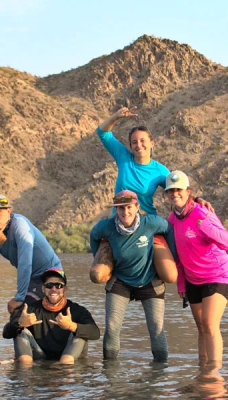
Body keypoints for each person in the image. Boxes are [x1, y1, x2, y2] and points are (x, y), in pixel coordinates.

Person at [92, 107, 211, 284]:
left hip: (147, 223)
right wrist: (117, 116)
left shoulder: (160, 171)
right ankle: (119, 278)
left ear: (152, 143)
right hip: (119, 224)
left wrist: (196, 199)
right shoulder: (123, 157)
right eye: (134, 142)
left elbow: (177, 190)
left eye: (142, 141)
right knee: (97, 276)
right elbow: (102, 132)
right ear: (130, 146)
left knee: (170, 276)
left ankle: (148, 273)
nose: (138, 145)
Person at [90, 190, 176, 362]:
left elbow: (169, 228)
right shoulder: (106, 226)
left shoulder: (150, 223)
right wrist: (100, 257)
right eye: (120, 208)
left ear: (137, 207)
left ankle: (160, 373)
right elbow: (94, 235)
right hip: (121, 280)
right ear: (116, 210)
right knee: (112, 327)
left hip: (149, 279)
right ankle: (110, 372)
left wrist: (170, 256)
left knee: (156, 328)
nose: (125, 212)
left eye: (129, 207)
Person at [165, 171, 228, 366]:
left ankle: (214, 374)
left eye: (179, 190)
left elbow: (225, 241)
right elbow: (178, 256)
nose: (175, 194)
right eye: (171, 191)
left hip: (216, 275)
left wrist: (207, 227)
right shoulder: (171, 220)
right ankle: (203, 370)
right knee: (201, 327)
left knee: (210, 324)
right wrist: (181, 284)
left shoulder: (202, 212)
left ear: (188, 191)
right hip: (192, 279)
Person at [0, 194, 63, 314]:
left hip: (52, 273)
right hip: (31, 279)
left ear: (9, 211)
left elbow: (25, 263)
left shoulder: (20, 225)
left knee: (21, 312)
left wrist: (19, 298)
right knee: (18, 319)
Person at [3, 268, 100, 364]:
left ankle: (67, 368)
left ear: (65, 289)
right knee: (20, 331)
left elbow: (95, 333)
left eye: (58, 285)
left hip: (69, 357)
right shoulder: (29, 309)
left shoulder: (77, 310)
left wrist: (71, 326)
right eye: (49, 285)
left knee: (80, 332)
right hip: (39, 355)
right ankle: (25, 372)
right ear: (43, 289)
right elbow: (6, 333)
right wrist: (19, 324)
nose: (53, 289)